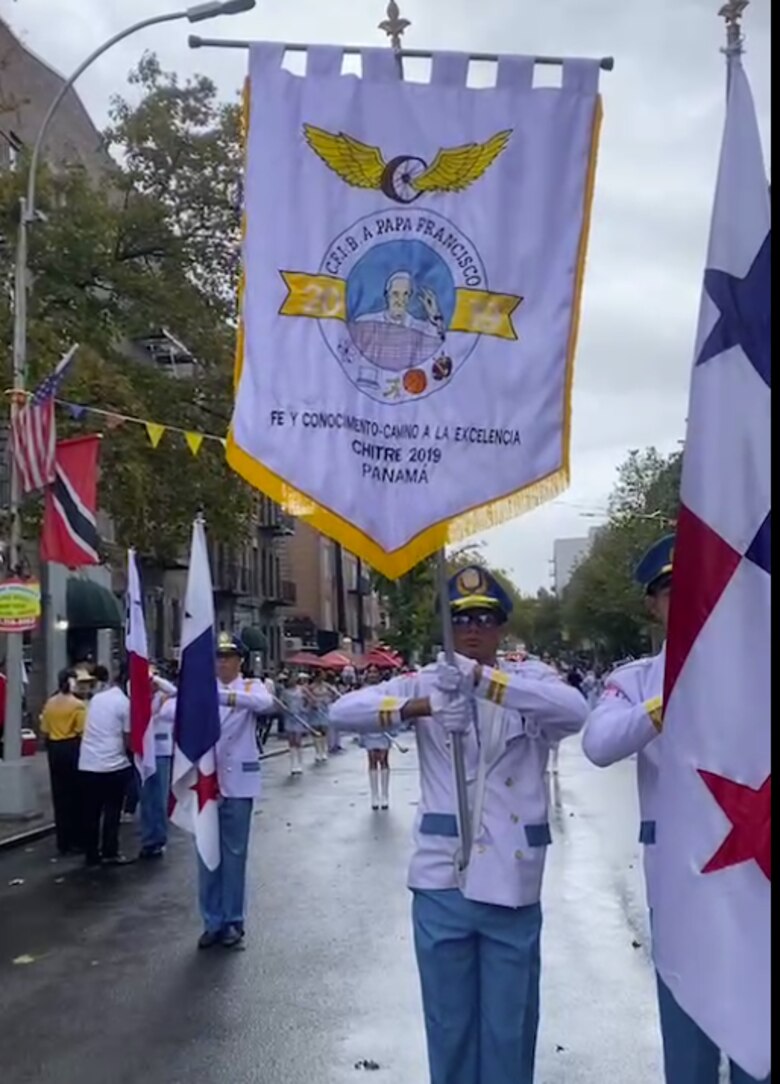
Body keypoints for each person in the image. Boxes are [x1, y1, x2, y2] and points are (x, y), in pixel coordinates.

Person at [329, 566, 588, 1084]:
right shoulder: (424, 679)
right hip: (442, 877)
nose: (472, 630)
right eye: (461, 619)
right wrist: (419, 706)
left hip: (512, 884)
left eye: (485, 619)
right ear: (445, 627)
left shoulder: (527, 681)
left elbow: (574, 711)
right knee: (448, 1026)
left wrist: (483, 683)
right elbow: (341, 712)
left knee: (508, 1031)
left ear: (502, 628)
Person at [581, 536, 769, 1084]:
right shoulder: (635, 680)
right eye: (669, 591)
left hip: (755, 876)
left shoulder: (758, 671)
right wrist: (672, 697)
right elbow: (600, 744)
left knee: (758, 1037)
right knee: (686, 1044)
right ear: (652, 605)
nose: (684, 599)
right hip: (679, 885)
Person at [162, 632, 273, 948]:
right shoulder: (200, 690)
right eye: (218, 657)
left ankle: (233, 920)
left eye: (228, 657)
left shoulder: (252, 686)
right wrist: (195, 696)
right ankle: (211, 921)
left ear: (240, 660)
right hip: (205, 784)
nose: (222, 663)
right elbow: (169, 711)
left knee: (235, 854)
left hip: (238, 782)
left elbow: (264, 704)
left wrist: (218, 697)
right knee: (207, 853)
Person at [78, 665, 133, 867]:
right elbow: (128, 738)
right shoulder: (124, 704)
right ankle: (110, 851)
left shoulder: (97, 699)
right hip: (113, 765)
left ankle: (91, 853)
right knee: (112, 810)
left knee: (91, 811)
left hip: (88, 763)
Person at [40, 668, 86, 855]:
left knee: (59, 795)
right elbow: (82, 731)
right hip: (72, 747)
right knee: (77, 794)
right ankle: (77, 838)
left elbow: (44, 729)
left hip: (54, 748)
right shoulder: (78, 705)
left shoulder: (49, 703)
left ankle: (63, 840)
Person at [138, 667, 176, 859]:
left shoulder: (165, 697)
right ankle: (147, 838)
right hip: (145, 752)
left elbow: (175, 691)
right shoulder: (140, 697)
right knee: (146, 798)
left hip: (162, 752)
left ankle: (159, 838)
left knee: (159, 798)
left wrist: (156, 679)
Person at [358, 664, 392, 810]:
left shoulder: (386, 689)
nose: (372, 674)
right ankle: (374, 795)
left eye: (375, 672)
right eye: (370, 672)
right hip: (369, 727)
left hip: (383, 726)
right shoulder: (363, 691)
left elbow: (391, 704)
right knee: (372, 759)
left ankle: (385, 795)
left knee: (383, 759)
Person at [304, 670, 336, 764]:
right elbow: (306, 697)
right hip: (315, 710)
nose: (323, 677)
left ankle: (324, 750)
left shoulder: (327, 686)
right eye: (322, 675)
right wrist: (311, 702)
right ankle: (318, 751)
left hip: (324, 709)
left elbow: (334, 694)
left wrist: (329, 699)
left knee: (324, 730)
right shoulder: (311, 687)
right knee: (316, 731)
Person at [281, 671, 308, 775]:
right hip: (289, 716)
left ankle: (300, 763)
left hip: (299, 716)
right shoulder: (285, 691)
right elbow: (281, 703)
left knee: (298, 739)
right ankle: (293, 764)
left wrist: (305, 708)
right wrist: (284, 710)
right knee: (291, 741)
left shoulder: (301, 689)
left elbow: (308, 699)